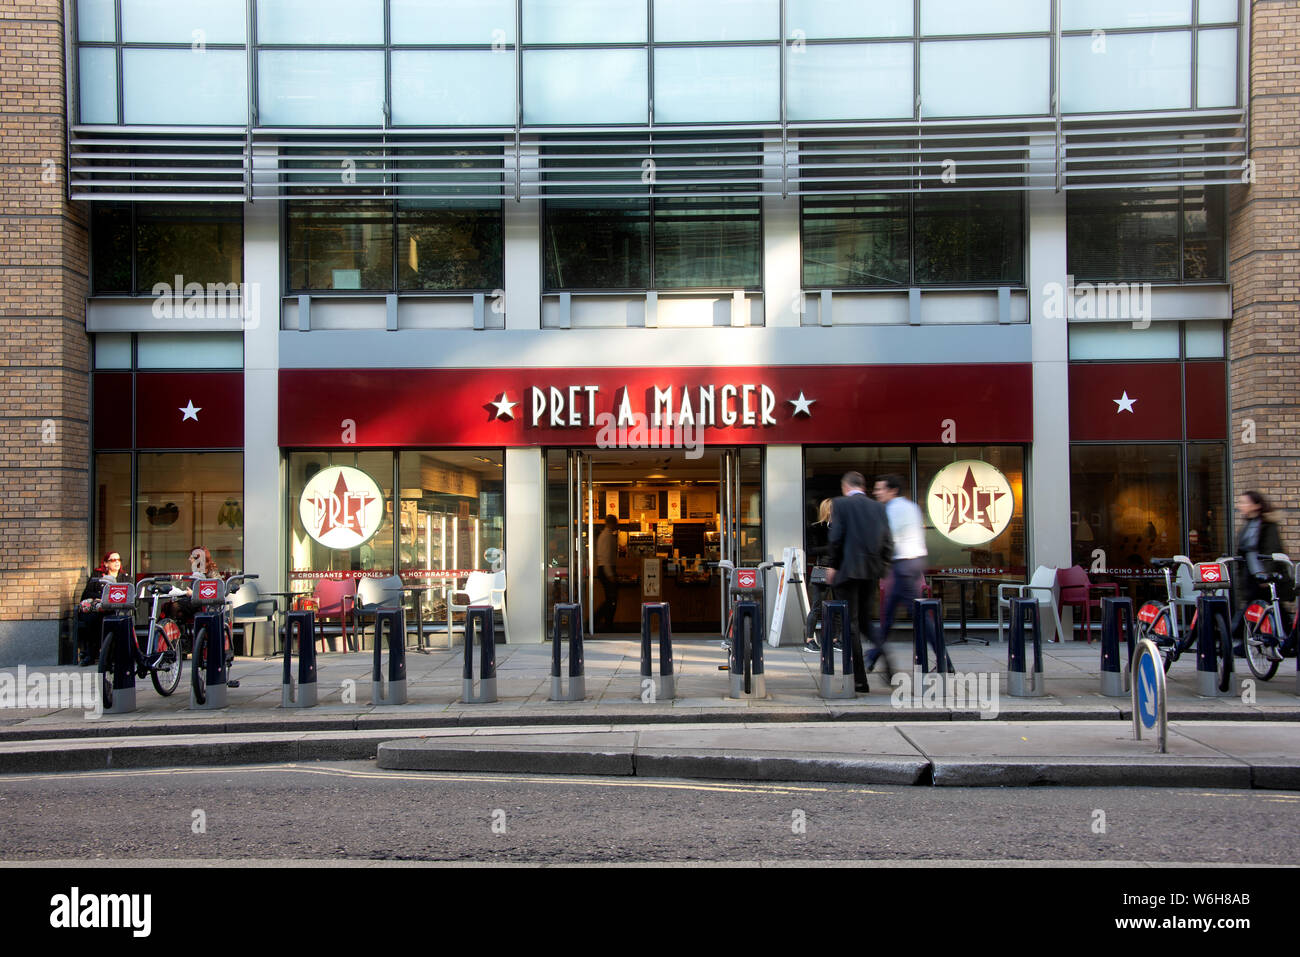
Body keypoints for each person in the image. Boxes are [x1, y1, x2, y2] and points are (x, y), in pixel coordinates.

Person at [825, 472, 894, 693]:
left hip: (847, 571)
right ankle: (886, 656)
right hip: (871, 571)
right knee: (865, 621)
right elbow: (887, 539)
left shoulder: (840, 504)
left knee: (851, 625)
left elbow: (836, 538)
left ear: (846, 486)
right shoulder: (879, 508)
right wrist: (883, 564)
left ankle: (860, 679)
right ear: (863, 486)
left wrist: (832, 565)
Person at [870, 474, 926, 677]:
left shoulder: (893, 509)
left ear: (892, 490)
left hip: (903, 565)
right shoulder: (911, 506)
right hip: (910, 563)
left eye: (880, 489)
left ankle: (944, 658)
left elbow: (886, 538)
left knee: (920, 616)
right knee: (888, 614)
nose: (876, 492)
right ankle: (874, 655)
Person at [1233, 491, 1288, 647]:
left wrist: (1267, 574)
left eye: (1244, 502)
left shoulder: (1266, 525)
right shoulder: (1248, 525)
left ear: (1256, 505)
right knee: (1257, 607)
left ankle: (1244, 641)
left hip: (1263, 575)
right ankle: (1248, 641)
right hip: (1251, 575)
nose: (1240, 506)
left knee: (1266, 607)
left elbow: (1272, 550)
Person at [75, 551, 125, 666]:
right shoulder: (97, 577)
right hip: (98, 610)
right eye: (113, 560)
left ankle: (108, 656)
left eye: (118, 559)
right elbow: (86, 594)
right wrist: (100, 599)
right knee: (94, 619)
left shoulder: (124, 578)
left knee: (109, 619)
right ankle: (91, 655)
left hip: (116, 609)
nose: (117, 562)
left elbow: (127, 596)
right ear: (106, 563)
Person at [803, 499, 835, 653]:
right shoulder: (816, 528)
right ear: (827, 510)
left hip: (838, 569)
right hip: (823, 568)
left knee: (839, 605)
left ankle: (835, 639)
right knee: (816, 606)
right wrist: (831, 548)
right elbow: (811, 550)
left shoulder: (841, 527)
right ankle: (809, 639)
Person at [594, 514, 619, 632]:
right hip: (606, 570)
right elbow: (606, 556)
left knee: (610, 599)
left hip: (603, 569)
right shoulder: (608, 537)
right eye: (616, 523)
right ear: (612, 523)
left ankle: (603, 622)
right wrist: (610, 574)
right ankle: (601, 622)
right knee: (611, 599)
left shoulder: (603, 536)